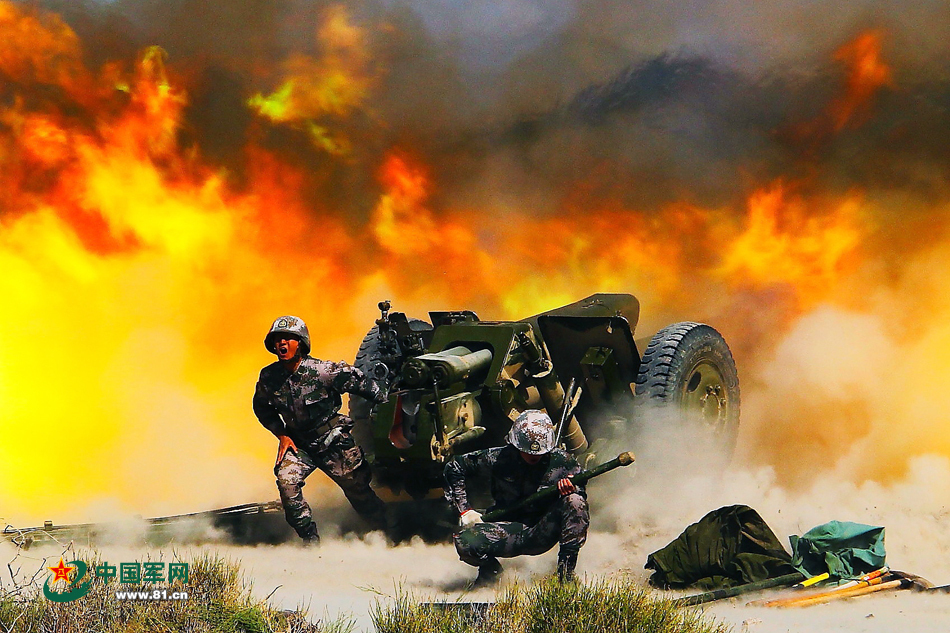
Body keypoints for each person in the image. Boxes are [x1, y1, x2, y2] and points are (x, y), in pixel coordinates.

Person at [253, 315, 387, 544]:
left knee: (359, 493)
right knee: (286, 483)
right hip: (300, 445)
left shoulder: (325, 371)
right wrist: (282, 435)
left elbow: (369, 387)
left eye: (288, 339)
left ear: (301, 343)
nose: (282, 344)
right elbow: (261, 407)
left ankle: (386, 533)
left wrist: (385, 412)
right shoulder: (269, 377)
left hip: (333, 441)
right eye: (278, 340)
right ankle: (311, 542)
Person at [443, 409, 589, 585]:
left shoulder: (563, 462)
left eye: (539, 453)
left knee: (575, 501)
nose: (533, 456)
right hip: (507, 530)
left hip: (544, 528)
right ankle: (491, 575)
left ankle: (565, 576)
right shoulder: (498, 458)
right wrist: (464, 510)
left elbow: (580, 498)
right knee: (465, 541)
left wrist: (571, 490)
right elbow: (455, 467)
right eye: (527, 451)